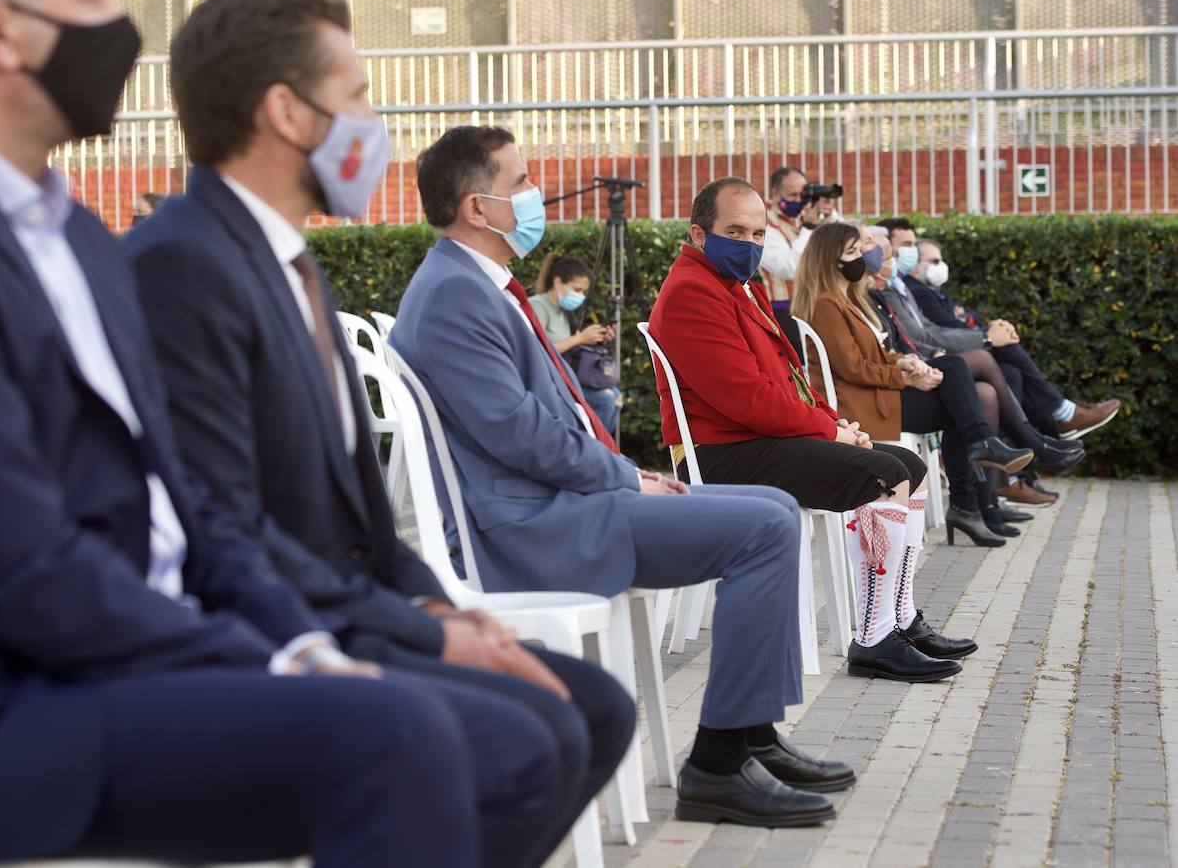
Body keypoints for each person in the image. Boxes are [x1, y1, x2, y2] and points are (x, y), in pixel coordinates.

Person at [0, 0, 501, 864]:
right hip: (4, 716)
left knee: (479, 728)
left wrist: (300, 638)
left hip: (136, 652)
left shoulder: (78, 235)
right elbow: (17, 571)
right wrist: (280, 659)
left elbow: (186, 510)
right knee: (396, 737)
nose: (123, 24)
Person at [127, 0, 634, 868]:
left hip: (348, 606)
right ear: (286, 110)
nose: (377, 126)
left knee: (595, 708)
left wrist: (441, 603)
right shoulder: (184, 264)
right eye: (358, 96)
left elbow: (356, 515)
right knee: (530, 734)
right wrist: (427, 631)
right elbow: (224, 527)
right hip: (268, 631)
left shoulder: (292, 264)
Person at [392, 126, 854, 829]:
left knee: (771, 504)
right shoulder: (453, 295)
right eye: (519, 183)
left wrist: (622, 471)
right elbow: (521, 436)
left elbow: (544, 425)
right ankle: (719, 765)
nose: (534, 194)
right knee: (764, 525)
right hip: (531, 527)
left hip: (561, 501)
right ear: (476, 208)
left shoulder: (472, 285)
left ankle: (751, 735)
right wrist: (620, 479)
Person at [646, 178, 975, 686]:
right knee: (885, 474)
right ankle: (874, 638)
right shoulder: (693, 292)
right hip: (719, 453)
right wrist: (829, 431)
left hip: (756, 440)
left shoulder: (738, 286)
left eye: (758, 234)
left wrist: (834, 422)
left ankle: (901, 618)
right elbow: (748, 399)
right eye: (735, 231)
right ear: (697, 234)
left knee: (908, 465)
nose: (751, 244)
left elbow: (789, 377)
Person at [792, 223, 1035, 549]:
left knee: (961, 383)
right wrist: (904, 377)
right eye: (851, 253)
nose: (860, 259)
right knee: (958, 382)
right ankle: (971, 485)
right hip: (863, 404)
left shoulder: (847, 300)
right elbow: (852, 369)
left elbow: (872, 356)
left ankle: (973, 482)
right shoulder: (826, 305)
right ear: (827, 260)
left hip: (878, 393)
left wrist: (906, 363)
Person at [866, 226, 1086, 482]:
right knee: (981, 370)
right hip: (900, 382)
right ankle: (1039, 438)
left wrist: (985, 334)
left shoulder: (896, 287)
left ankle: (990, 495)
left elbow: (922, 332)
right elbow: (911, 341)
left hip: (916, 364)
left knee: (995, 381)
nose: (901, 256)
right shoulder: (884, 292)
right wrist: (985, 337)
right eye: (890, 253)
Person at [881, 217, 1121, 442]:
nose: (911, 250)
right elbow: (927, 333)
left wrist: (986, 331)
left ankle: (1023, 463)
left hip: (928, 358)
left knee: (1010, 372)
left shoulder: (901, 285)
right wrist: (986, 337)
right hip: (920, 368)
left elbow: (947, 322)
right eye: (907, 244)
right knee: (991, 356)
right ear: (888, 248)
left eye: (914, 244)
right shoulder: (900, 287)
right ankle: (1053, 422)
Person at [529, 256, 622, 434]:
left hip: (566, 377)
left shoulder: (562, 311)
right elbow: (536, 349)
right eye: (577, 290)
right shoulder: (538, 306)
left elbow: (567, 346)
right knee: (605, 400)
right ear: (558, 282)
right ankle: (594, 451)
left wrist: (596, 337)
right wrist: (579, 339)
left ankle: (600, 449)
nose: (580, 296)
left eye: (583, 291)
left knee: (615, 395)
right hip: (548, 383)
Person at [761, 166, 839, 355]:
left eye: (802, 194)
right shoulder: (763, 223)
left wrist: (829, 216)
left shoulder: (804, 216)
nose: (798, 200)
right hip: (784, 310)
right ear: (775, 193)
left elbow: (842, 246)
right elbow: (789, 268)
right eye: (792, 194)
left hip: (817, 304)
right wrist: (809, 228)